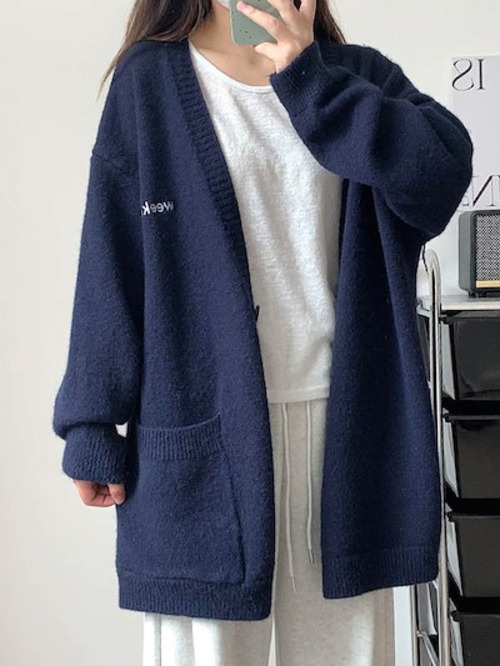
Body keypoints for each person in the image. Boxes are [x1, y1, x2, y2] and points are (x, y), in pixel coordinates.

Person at [52, 0, 474, 664]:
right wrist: (90, 423)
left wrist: (312, 82)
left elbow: (440, 175)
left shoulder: (355, 76)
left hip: (343, 442)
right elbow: (111, 259)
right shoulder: (150, 84)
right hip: (199, 442)